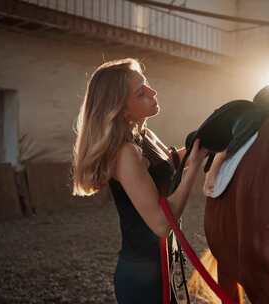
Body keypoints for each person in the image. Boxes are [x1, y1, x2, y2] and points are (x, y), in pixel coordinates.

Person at [72, 58, 208, 304]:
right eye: (141, 93)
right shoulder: (125, 153)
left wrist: (206, 142)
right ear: (122, 109)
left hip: (158, 271)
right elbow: (161, 224)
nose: (153, 92)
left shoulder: (144, 136)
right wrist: (195, 167)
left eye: (146, 85)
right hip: (142, 282)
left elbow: (169, 166)